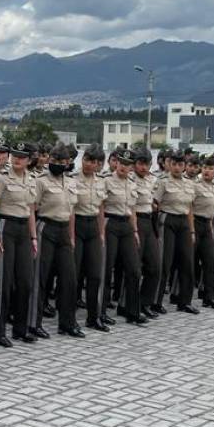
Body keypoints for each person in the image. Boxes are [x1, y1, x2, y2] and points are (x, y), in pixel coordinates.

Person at [0, 142, 36, 346]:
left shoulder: (31, 180)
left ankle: (20, 329)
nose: (17, 159)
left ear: (28, 160)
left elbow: (31, 209)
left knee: (24, 281)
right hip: (5, 226)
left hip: (23, 229)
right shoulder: (2, 178)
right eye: (15, 155)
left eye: (22, 157)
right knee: (3, 281)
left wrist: (34, 237)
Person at [33, 144, 83, 336]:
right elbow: (33, 208)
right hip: (46, 227)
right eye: (55, 161)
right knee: (41, 277)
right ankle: (34, 323)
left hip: (64, 230)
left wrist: (71, 236)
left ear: (68, 163)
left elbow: (71, 212)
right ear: (49, 161)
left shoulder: (70, 182)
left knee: (69, 278)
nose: (58, 164)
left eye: (63, 162)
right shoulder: (41, 181)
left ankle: (68, 323)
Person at [100, 149, 144, 325]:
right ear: (116, 162)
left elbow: (132, 209)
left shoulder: (132, 183)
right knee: (107, 268)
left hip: (126, 225)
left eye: (127, 164)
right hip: (110, 223)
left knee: (134, 270)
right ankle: (100, 311)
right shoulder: (106, 181)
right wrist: (101, 230)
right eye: (121, 163)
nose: (123, 167)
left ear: (131, 167)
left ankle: (131, 310)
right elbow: (101, 207)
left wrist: (134, 231)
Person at [154, 151, 198, 314]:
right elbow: (155, 204)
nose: (178, 168)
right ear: (169, 165)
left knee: (187, 262)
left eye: (181, 165)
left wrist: (192, 230)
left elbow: (190, 208)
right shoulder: (163, 182)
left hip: (184, 221)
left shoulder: (189, 183)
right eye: (175, 164)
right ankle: (155, 301)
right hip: (167, 220)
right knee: (165, 263)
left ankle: (184, 301)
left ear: (184, 166)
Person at [72, 144, 106, 331]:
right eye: (87, 159)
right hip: (76, 224)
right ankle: (69, 318)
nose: (89, 164)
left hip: (92, 226)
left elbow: (101, 208)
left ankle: (94, 317)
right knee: (74, 274)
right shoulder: (73, 179)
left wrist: (101, 232)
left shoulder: (101, 181)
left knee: (95, 275)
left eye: (94, 161)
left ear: (99, 164)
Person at [130, 149, 162, 317]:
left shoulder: (152, 180)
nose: (143, 167)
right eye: (140, 164)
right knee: (134, 268)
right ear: (135, 164)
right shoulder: (130, 179)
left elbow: (155, 200)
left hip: (150, 222)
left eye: (146, 164)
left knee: (155, 266)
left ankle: (145, 302)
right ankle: (129, 305)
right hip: (135, 222)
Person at [191, 157, 214, 310]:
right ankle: (180, 296)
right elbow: (189, 208)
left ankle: (210, 297)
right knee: (188, 262)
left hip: (207, 225)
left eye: (211, 168)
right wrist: (191, 229)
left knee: (211, 261)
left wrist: (210, 224)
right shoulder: (194, 186)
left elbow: (213, 209)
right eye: (204, 167)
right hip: (194, 224)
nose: (206, 171)